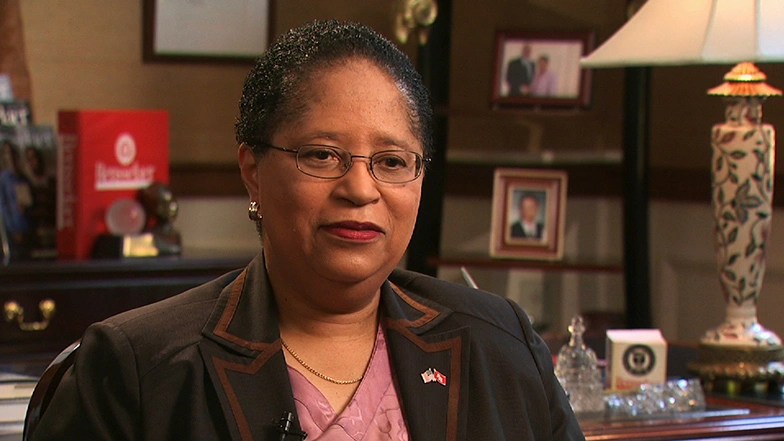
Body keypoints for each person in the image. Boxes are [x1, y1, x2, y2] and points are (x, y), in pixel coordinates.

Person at [32, 20, 583, 441]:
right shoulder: (139, 366)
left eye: (392, 161)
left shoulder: (499, 343)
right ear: (253, 170)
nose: (361, 189)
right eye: (323, 155)